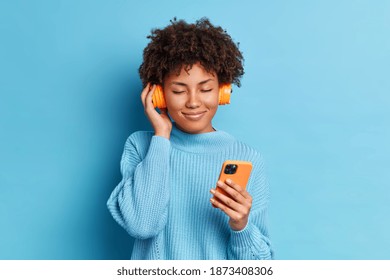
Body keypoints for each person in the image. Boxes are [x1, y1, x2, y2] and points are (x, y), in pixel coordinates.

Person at [107, 18, 273, 260]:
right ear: (159, 94)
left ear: (223, 91)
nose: (193, 102)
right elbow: (143, 225)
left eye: (205, 89)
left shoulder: (248, 158)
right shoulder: (141, 147)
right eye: (178, 91)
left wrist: (241, 226)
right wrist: (161, 137)